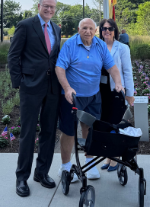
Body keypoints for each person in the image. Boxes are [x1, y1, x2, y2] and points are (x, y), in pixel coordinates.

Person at [7, 0, 62, 198]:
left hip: (52, 87)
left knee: (49, 132)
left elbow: (55, 57)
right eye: (46, 6)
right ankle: (22, 178)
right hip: (30, 86)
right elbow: (13, 55)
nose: (49, 9)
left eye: (52, 7)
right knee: (28, 133)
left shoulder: (56, 29)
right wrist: (18, 81)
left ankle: (41, 173)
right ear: (39, 6)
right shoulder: (26, 25)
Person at [55, 18, 124, 182]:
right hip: (72, 96)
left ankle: (90, 162)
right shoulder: (70, 45)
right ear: (78, 29)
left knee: (90, 129)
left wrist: (119, 83)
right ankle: (65, 166)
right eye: (84, 28)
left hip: (93, 96)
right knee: (69, 131)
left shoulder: (99, 45)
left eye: (91, 28)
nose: (88, 31)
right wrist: (66, 88)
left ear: (95, 31)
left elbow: (112, 67)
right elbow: (60, 68)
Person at [97, 18, 134, 173]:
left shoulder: (122, 48)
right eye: (104, 28)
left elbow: (127, 71)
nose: (107, 31)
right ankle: (108, 156)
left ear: (115, 31)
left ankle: (114, 158)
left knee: (115, 124)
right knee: (104, 125)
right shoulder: (96, 46)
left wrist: (130, 94)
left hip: (116, 92)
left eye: (110, 28)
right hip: (99, 92)